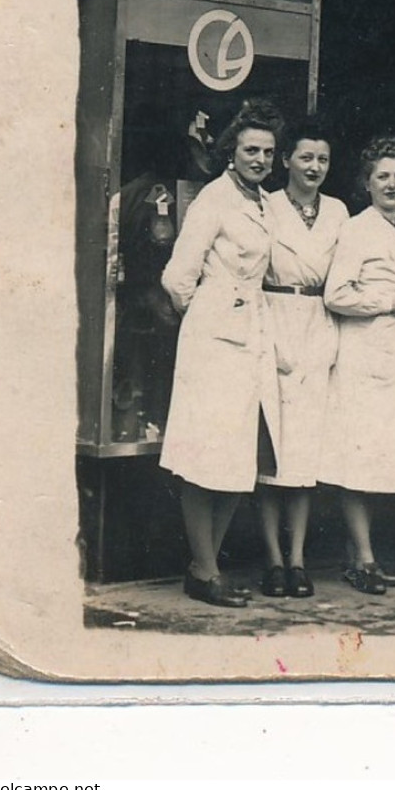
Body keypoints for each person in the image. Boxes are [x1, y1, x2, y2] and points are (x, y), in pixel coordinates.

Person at [160, 99, 287, 607]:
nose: (259, 158)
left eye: (267, 152)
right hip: (214, 343)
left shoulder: (265, 202)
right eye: (250, 149)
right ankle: (206, 569)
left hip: (251, 338)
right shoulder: (215, 199)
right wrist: (210, 311)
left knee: (240, 456)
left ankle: (204, 563)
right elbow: (176, 277)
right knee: (204, 454)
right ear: (230, 152)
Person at [318, 136, 395, 595]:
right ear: (368, 182)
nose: (392, 184)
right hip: (362, 355)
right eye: (383, 176)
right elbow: (336, 294)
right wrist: (389, 302)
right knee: (358, 459)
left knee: (380, 460)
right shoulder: (358, 229)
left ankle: (358, 553)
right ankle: (362, 559)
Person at [255, 117, 347, 601]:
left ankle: (298, 558)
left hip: (318, 326)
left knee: (305, 456)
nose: (314, 167)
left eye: (323, 159)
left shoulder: (338, 212)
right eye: (306, 157)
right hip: (274, 322)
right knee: (273, 454)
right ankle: (272, 558)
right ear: (286, 159)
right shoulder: (265, 207)